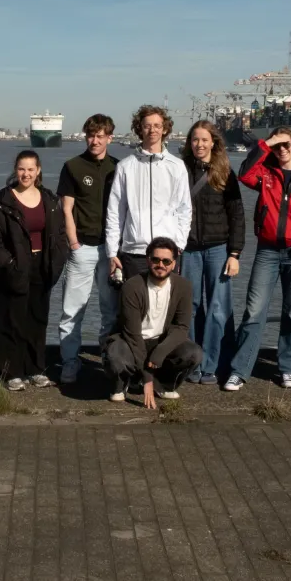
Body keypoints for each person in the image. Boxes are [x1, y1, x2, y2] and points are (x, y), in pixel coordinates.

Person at [223, 127, 291, 391]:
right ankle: (239, 370)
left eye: (286, 144)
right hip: (267, 251)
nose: (282, 149)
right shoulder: (266, 174)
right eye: (277, 145)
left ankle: (289, 368)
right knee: (254, 311)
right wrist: (266, 143)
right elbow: (244, 174)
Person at [0, 149, 69, 390]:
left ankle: (36, 369)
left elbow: (60, 234)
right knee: (11, 321)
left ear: (38, 171)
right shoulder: (3, 201)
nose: (26, 174)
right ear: (15, 170)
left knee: (37, 320)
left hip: (43, 266)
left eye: (30, 169)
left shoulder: (49, 199)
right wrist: (9, 264)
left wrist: (57, 260)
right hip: (14, 266)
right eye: (21, 169)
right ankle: (12, 372)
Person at [56, 114, 120, 385]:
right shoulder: (72, 166)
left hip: (111, 249)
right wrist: (73, 243)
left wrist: (117, 249)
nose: (95, 141)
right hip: (82, 247)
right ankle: (70, 361)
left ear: (109, 138)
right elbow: (66, 208)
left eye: (100, 136)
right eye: (91, 135)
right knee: (72, 310)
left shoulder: (119, 167)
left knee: (111, 310)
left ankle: (109, 358)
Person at [102, 236, 201, 407]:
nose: (160, 265)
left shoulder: (184, 286)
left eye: (166, 261)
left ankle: (163, 384)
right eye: (156, 260)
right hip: (131, 341)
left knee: (193, 353)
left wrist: (159, 353)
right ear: (148, 260)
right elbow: (132, 335)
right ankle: (123, 383)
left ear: (174, 264)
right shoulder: (132, 286)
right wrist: (147, 377)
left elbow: (181, 327)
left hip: (160, 341)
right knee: (115, 354)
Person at [180, 120, 243, 385]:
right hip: (189, 249)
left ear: (213, 142)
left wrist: (235, 253)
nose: (200, 144)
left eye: (204, 140)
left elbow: (237, 214)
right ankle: (192, 361)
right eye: (195, 139)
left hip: (219, 248)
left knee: (218, 307)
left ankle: (212, 364)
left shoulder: (225, 172)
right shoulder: (180, 170)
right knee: (190, 307)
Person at [104, 104, 191, 282]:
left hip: (166, 252)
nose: (152, 130)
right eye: (147, 126)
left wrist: (179, 244)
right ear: (140, 128)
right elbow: (116, 211)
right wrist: (112, 252)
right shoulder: (125, 166)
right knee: (135, 299)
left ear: (165, 129)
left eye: (157, 125)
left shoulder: (177, 166)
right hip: (134, 251)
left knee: (165, 300)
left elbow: (184, 209)